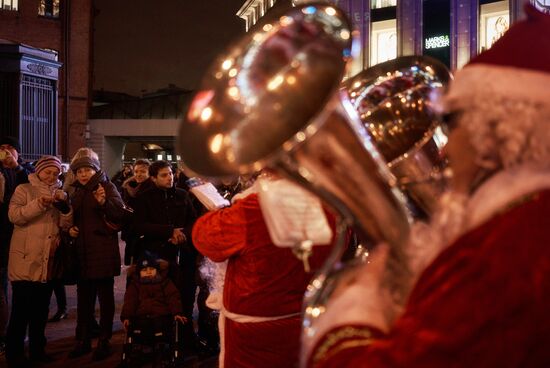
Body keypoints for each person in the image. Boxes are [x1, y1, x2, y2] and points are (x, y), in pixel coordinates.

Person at [305, 5, 550, 367]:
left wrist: (358, 303)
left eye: (454, 124)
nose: (447, 148)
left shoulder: (505, 248)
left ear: (497, 130)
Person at [192, 173, 334, 368]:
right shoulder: (328, 201)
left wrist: (224, 211)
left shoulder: (253, 207)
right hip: (309, 313)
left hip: (256, 327)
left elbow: (206, 238)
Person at [5, 155, 71, 367]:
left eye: (56, 173)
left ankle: (37, 350)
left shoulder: (61, 193)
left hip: (48, 262)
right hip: (25, 260)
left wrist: (65, 209)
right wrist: (39, 204)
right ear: (38, 171)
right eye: (47, 172)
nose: (51, 176)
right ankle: (14, 353)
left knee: (40, 311)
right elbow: (15, 216)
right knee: (20, 312)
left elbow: (66, 225)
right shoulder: (23, 190)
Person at [133, 160, 199, 352]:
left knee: (186, 295)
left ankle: (186, 336)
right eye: (164, 175)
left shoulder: (182, 194)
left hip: (183, 252)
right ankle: (162, 336)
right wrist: (169, 231)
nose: (169, 177)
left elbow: (193, 221)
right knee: (160, 297)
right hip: (157, 254)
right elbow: (140, 225)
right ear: (153, 178)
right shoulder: (144, 198)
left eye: (170, 173)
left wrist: (182, 234)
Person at [68, 156, 126, 361]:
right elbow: (73, 218)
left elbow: (120, 214)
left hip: (102, 251)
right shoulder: (76, 191)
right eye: (79, 171)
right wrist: (71, 229)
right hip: (82, 253)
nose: (83, 174)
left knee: (105, 299)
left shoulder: (107, 187)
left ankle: (104, 340)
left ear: (95, 170)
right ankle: (82, 340)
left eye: (87, 170)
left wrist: (103, 203)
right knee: (84, 300)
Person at [120, 253, 187, 363]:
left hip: (161, 314)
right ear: (139, 273)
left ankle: (161, 347)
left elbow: (173, 298)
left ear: (157, 270)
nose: (148, 272)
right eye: (144, 270)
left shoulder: (165, 282)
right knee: (138, 327)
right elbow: (130, 302)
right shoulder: (135, 285)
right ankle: (137, 349)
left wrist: (177, 313)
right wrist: (126, 317)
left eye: (151, 269)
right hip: (141, 316)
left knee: (162, 326)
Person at [0, 136, 33, 355]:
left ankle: (16, 332)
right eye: (1, 148)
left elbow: (33, 187)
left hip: (21, 237)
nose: (5, 152)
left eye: (10, 148)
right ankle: (4, 335)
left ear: (18, 152)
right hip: (1, 237)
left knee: (21, 288)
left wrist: (16, 167)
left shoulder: (26, 171)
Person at [121, 159, 154, 265]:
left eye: (143, 172)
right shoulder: (129, 186)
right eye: (136, 171)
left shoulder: (153, 188)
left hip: (147, 233)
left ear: (149, 173)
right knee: (133, 265)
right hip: (131, 231)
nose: (139, 174)